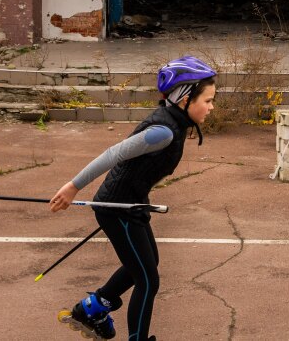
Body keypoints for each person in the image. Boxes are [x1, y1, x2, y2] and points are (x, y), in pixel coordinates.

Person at [50, 55, 218, 341]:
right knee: (147, 280)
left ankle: (92, 308)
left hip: (131, 203)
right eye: (207, 100)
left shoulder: (174, 124)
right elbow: (113, 154)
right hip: (116, 208)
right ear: (185, 99)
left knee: (146, 262)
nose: (212, 107)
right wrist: (73, 186)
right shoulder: (163, 132)